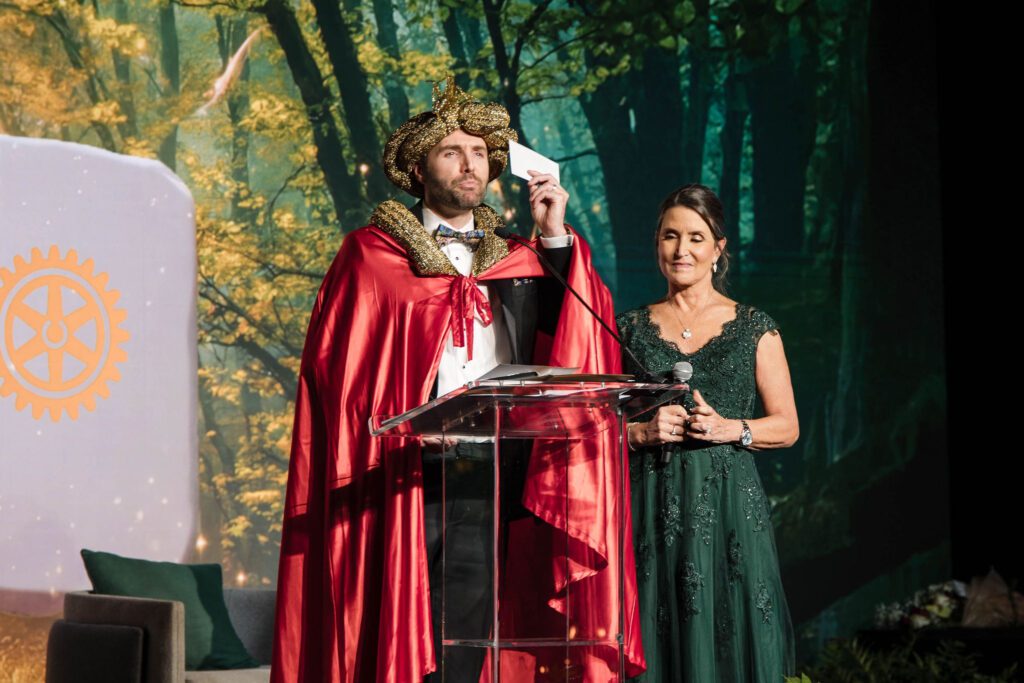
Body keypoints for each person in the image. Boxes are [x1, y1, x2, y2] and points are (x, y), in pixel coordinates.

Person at [271, 76, 644, 682]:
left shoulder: (522, 257)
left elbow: (575, 327)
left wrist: (554, 232)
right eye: (452, 152)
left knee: (467, 626)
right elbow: (337, 374)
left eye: (479, 153)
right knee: (393, 612)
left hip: (486, 466)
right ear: (419, 169)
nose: (470, 165)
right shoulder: (371, 256)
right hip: (395, 472)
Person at [617, 184, 798, 682]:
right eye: (670, 236)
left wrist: (728, 428)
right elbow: (591, 426)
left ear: (718, 249)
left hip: (729, 513)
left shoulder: (755, 327)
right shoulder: (626, 330)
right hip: (649, 508)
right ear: (656, 244)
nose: (682, 250)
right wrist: (640, 433)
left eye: (696, 238)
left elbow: (786, 426)